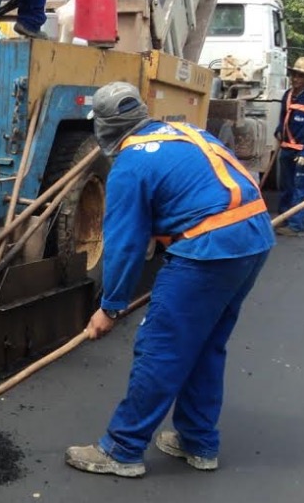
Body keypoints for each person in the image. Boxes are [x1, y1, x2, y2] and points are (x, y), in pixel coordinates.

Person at [64, 81, 275, 478]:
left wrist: (110, 308)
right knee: (205, 344)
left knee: (161, 346)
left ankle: (122, 449)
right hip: (253, 237)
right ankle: (198, 442)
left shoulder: (130, 165)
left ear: (104, 127)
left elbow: (124, 245)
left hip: (210, 250)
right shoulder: (184, 130)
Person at [274, 56, 304, 237]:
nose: (296, 79)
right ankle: (284, 218)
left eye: (301, 76)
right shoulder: (287, 95)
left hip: (301, 152)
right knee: (286, 186)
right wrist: (279, 130)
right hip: (286, 148)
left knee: (300, 188)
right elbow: (283, 118)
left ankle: (296, 226)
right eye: (294, 75)